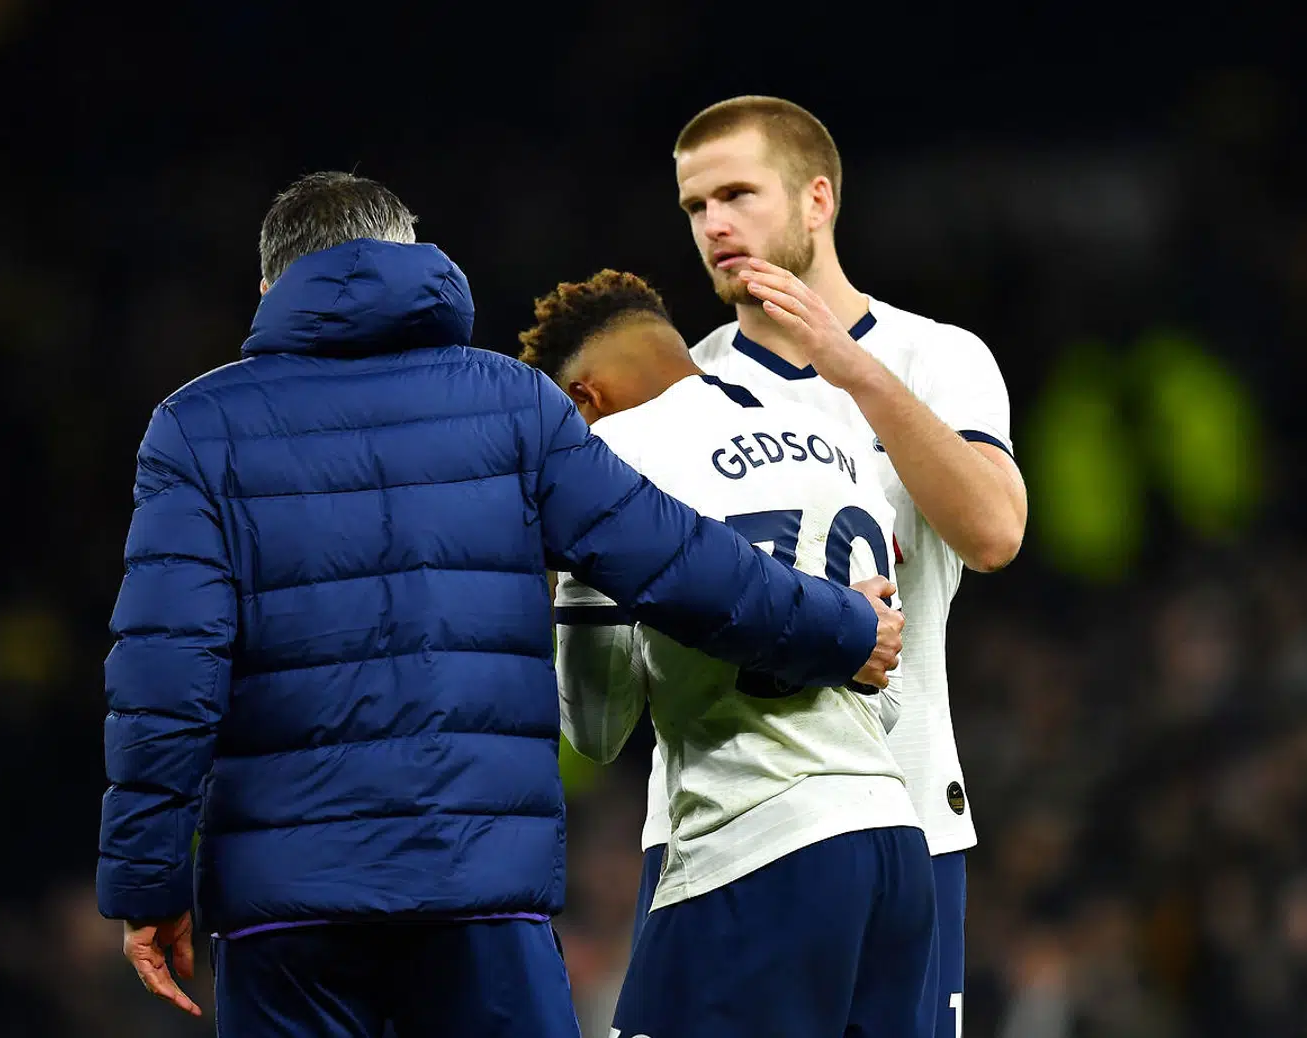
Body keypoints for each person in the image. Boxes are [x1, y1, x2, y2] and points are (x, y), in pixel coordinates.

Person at [95, 171, 903, 1037]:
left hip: (288, 912)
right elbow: (677, 560)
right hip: (478, 894)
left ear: (270, 287)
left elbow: (166, 672)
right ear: (414, 263)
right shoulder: (512, 403)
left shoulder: (197, 427)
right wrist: (842, 625)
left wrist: (148, 882)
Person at [630, 95, 1030, 1038]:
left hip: (908, 819)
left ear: (817, 199)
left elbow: (994, 533)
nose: (715, 224)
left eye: (738, 193)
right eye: (694, 206)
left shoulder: (938, 358)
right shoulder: (676, 392)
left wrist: (847, 367)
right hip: (716, 831)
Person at [518, 270, 936, 1038]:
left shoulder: (613, 454)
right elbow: (886, 682)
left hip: (756, 850)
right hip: (893, 850)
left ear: (583, 399)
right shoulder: (833, 432)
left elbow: (599, 727)